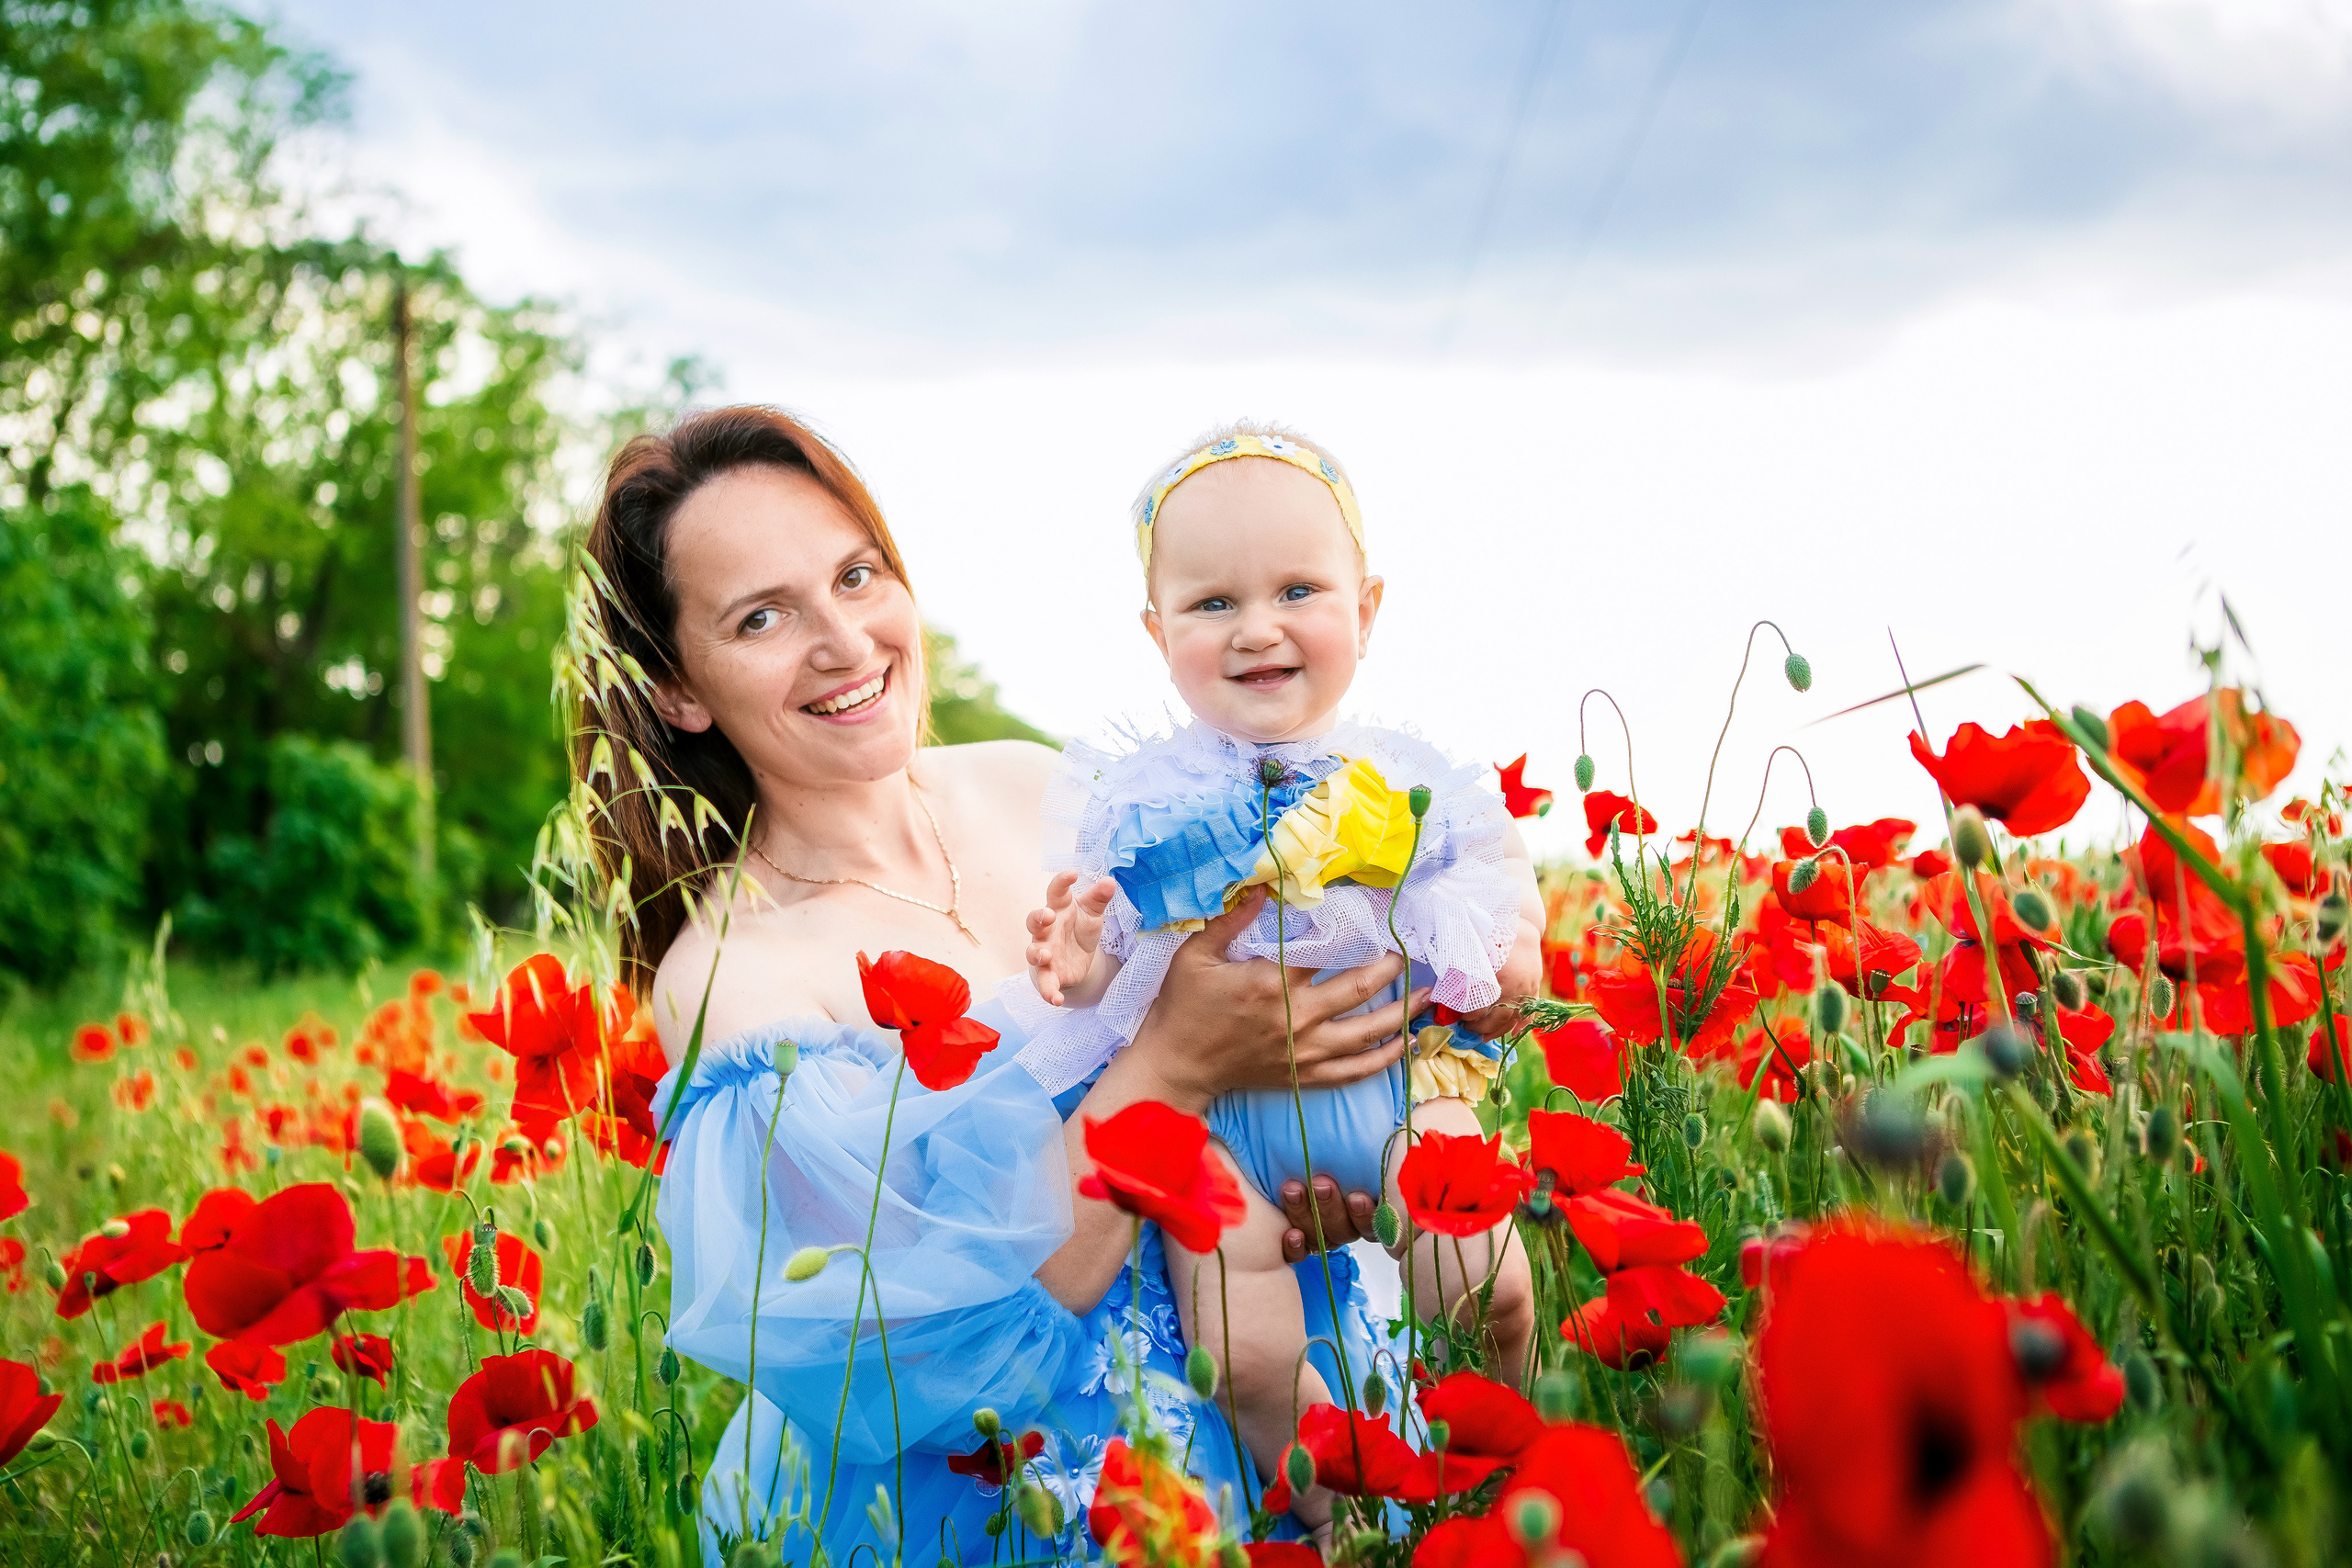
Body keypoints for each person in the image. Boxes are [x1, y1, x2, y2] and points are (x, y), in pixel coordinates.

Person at [579, 405, 1416, 1565]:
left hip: (1274, 1359)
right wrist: (1172, 1065)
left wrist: (1311, 1175)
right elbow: (952, 1343)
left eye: (857, 575)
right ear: (678, 687)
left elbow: (1257, 1036)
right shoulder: (738, 978)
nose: (842, 640)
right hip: (1015, 1496)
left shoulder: (1041, 786)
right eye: (762, 617)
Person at [1013, 420, 1544, 1544]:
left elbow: (1499, 888)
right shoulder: (1142, 799)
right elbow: (1115, 944)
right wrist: (1077, 960)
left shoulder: (1406, 776)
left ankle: (1510, 1455)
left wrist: (1514, 957)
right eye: (1212, 606)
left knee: (1483, 1277)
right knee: (1243, 1350)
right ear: (1159, 634)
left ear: (1369, 606)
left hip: (1393, 1087)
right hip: (1221, 1131)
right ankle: (1342, 1519)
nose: (1257, 629)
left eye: (1297, 589)